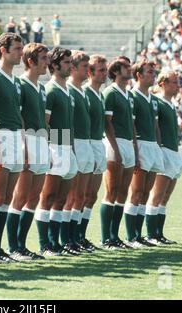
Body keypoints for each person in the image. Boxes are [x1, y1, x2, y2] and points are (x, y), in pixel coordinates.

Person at [34, 47, 78, 256]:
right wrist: (51, 148)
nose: (70, 65)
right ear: (54, 65)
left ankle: (56, 241)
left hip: (67, 145)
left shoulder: (67, 90)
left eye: (70, 62)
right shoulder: (50, 89)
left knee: (62, 198)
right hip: (56, 145)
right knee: (48, 196)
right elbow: (46, 122)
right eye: (67, 62)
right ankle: (45, 244)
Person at [7, 42, 49, 260]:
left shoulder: (42, 87)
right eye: (43, 59)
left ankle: (22, 245)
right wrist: (23, 146)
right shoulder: (21, 84)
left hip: (41, 142)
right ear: (30, 61)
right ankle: (12, 246)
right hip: (27, 141)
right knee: (20, 196)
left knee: (33, 197)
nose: (47, 62)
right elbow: (19, 117)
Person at [0, 32, 24, 263]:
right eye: (17, 49)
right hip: (1, 137)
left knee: (8, 196)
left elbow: (18, 113)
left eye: (21, 48)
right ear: (3, 50)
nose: (20, 53)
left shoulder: (15, 81)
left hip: (17, 137)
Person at [124, 60, 164, 248]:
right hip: (139, 144)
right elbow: (131, 124)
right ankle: (131, 236)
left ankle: (139, 235)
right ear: (139, 75)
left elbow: (156, 126)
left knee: (146, 193)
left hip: (152, 147)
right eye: (149, 72)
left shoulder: (154, 99)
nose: (153, 75)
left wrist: (158, 146)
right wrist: (135, 149)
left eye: (154, 72)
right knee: (136, 192)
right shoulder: (132, 96)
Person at [100, 56, 137, 250]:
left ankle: (115, 235)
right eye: (125, 67)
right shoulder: (110, 93)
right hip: (115, 143)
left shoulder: (128, 94)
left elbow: (131, 124)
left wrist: (135, 148)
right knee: (111, 191)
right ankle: (106, 237)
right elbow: (107, 123)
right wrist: (114, 148)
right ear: (115, 72)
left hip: (128, 143)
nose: (129, 70)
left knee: (123, 192)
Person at [62, 50, 94, 254]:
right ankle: (65, 239)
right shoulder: (68, 90)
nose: (88, 70)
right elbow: (60, 122)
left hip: (85, 143)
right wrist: (66, 148)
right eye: (84, 66)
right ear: (72, 68)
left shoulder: (82, 91)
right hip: (71, 144)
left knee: (81, 196)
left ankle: (75, 237)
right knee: (69, 197)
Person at [146, 70, 182, 245]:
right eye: (175, 82)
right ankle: (150, 234)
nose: (178, 86)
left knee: (165, 196)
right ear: (163, 83)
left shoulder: (171, 104)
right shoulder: (158, 102)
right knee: (157, 194)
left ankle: (159, 233)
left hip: (173, 152)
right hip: (164, 151)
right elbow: (154, 126)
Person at [81, 54, 108, 251]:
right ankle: (73, 235)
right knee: (80, 195)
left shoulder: (100, 94)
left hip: (98, 143)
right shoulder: (84, 92)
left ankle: (81, 235)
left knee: (92, 195)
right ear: (89, 72)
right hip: (85, 143)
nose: (104, 73)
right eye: (101, 70)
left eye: (105, 69)